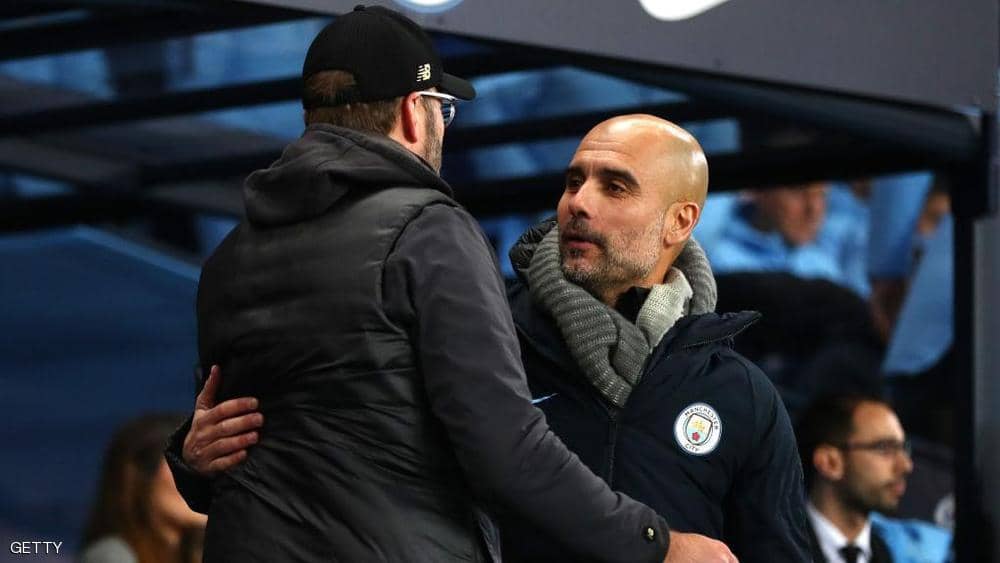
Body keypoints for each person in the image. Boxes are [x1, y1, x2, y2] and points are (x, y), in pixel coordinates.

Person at [165, 6, 734, 563]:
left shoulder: (231, 255)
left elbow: (233, 445)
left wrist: (187, 461)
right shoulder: (428, 232)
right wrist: (656, 543)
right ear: (415, 112)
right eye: (444, 108)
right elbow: (506, 449)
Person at [498, 115, 809, 562]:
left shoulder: (739, 393)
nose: (578, 203)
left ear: (679, 222)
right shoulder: (494, 339)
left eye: (615, 187)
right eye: (574, 182)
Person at [796, 395, 914, 563]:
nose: (906, 465)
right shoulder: (776, 549)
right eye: (884, 448)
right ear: (830, 462)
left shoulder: (885, 554)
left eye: (903, 448)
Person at [81, 413, 206, 563]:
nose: (205, 476)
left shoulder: (198, 552)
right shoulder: (112, 556)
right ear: (139, 477)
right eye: (187, 463)